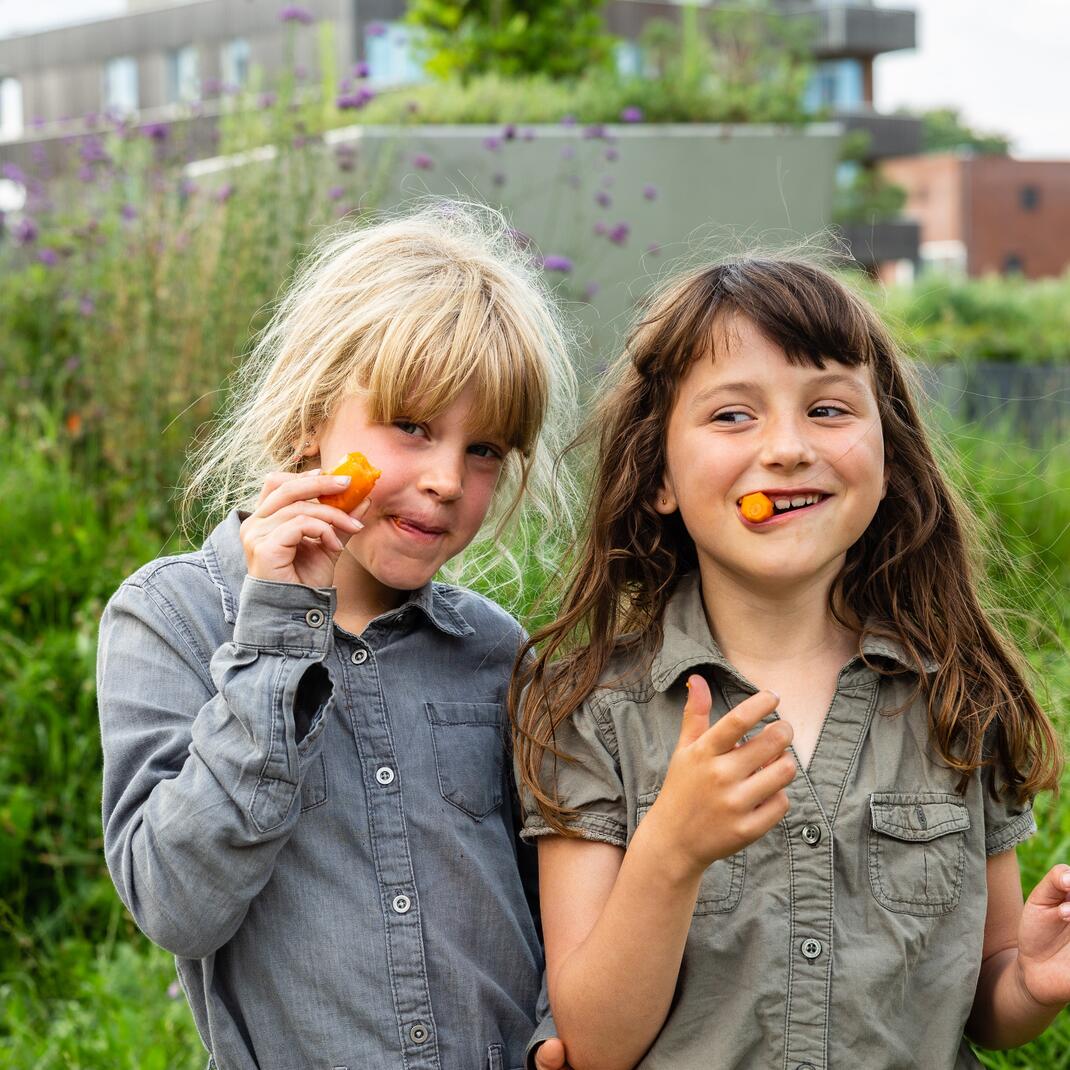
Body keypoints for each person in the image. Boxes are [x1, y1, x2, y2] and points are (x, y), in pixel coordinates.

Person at [512, 257, 1069, 1070]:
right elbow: (595, 1043)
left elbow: (981, 998)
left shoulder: (958, 695)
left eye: (829, 409)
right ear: (660, 476)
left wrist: (1035, 980)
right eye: (733, 415)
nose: (787, 448)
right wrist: (670, 851)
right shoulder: (589, 710)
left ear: (888, 462)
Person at [97, 203, 576, 1070]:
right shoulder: (172, 617)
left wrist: (550, 1029)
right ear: (316, 414)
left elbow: (558, 897)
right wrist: (280, 637)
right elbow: (176, 904)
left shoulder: (495, 653)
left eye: (485, 451)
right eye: (414, 427)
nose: (444, 482)